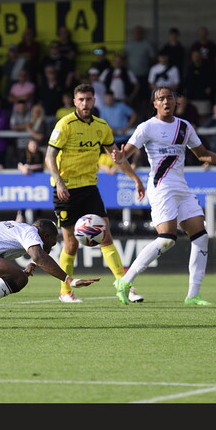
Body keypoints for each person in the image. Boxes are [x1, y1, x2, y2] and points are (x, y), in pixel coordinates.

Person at [112, 87, 216, 305]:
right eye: (160, 98)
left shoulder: (185, 127)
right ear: (154, 104)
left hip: (182, 188)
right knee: (167, 239)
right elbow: (124, 154)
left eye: (169, 98)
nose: (165, 101)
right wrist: (120, 156)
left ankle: (193, 295)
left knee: (201, 236)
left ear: (176, 101)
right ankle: (125, 281)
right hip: (161, 187)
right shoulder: (146, 127)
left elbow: (203, 154)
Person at [45, 83, 147, 303]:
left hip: (90, 187)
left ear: (94, 101)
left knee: (105, 234)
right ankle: (65, 292)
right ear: (74, 102)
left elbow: (117, 158)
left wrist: (136, 179)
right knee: (71, 244)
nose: (85, 103)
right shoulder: (65, 125)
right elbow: (49, 157)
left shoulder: (101, 126)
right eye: (81, 99)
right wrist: (60, 183)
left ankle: (124, 284)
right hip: (66, 189)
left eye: (89, 99)